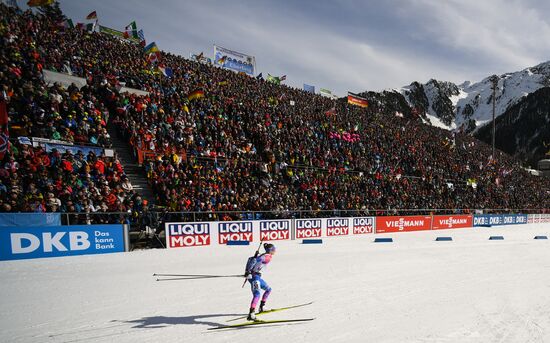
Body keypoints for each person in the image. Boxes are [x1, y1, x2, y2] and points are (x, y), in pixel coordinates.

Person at [244, 243, 276, 321]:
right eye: (274, 249)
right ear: (270, 250)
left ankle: (262, 307)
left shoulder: (266, 255)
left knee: (268, 289)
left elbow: (252, 259)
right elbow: (254, 260)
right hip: (254, 277)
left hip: (257, 277)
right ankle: (251, 314)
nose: (275, 251)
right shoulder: (266, 257)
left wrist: (255, 257)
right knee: (257, 295)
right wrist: (248, 271)